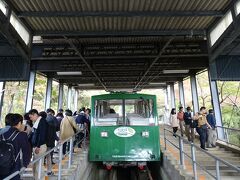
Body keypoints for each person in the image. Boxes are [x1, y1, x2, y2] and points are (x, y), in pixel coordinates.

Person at [0, 113, 31, 180]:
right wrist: (25, 165)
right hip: (14, 167)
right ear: (19, 123)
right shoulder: (22, 135)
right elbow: (26, 152)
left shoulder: (2, 133)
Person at [28, 109, 47, 180]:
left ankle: (41, 178)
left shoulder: (42, 121)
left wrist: (38, 146)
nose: (30, 119)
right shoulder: (37, 121)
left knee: (39, 165)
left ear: (35, 114)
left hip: (40, 146)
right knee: (35, 165)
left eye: (31, 117)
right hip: (36, 146)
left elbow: (42, 135)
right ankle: (36, 178)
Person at [45, 108, 59, 176]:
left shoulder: (44, 119)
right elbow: (56, 129)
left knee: (44, 155)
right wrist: (58, 139)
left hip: (43, 142)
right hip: (51, 141)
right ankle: (49, 170)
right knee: (49, 155)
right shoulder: (53, 119)